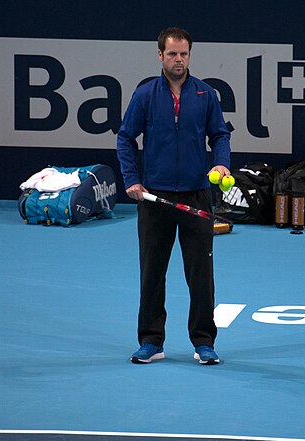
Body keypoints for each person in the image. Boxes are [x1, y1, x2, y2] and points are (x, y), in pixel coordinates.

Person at [116, 27, 231, 365]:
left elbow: (220, 135)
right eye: (172, 54)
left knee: (201, 277)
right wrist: (132, 180)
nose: (178, 60)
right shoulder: (145, 95)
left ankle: (204, 342)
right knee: (152, 272)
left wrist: (222, 165)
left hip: (197, 196)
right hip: (154, 198)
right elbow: (125, 138)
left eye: (183, 54)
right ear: (160, 56)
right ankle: (151, 341)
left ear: (189, 56)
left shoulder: (206, 95)